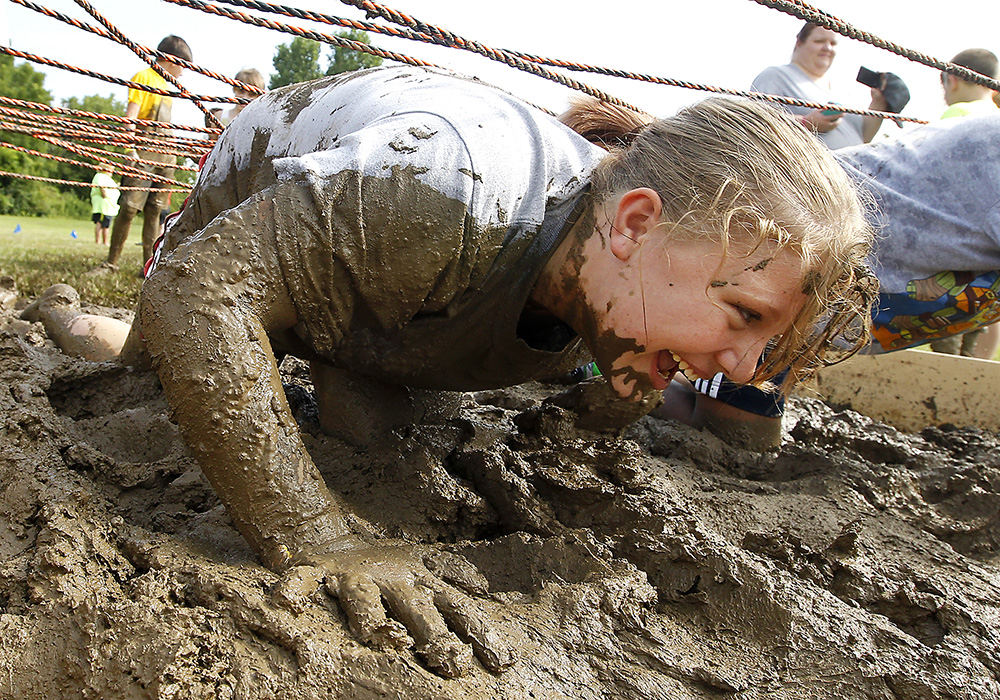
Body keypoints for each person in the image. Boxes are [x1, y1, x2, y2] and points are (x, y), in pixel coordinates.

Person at [28, 66, 875, 676]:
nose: (742, 365)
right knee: (149, 369)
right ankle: (65, 315)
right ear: (634, 224)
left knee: (380, 432)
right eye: (746, 316)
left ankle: (338, 357)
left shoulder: (622, 283)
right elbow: (200, 292)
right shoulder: (449, 192)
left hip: (396, 282)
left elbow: (595, 389)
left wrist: (607, 400)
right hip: (270, 181)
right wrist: (322, 539)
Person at [662, 112, 1000, 448]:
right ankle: (629, 378)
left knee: (737, 433)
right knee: (734, 442)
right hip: (787, 262)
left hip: (825, 295)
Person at [96, 35, 192, 273]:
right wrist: (130, 149)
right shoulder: (143, 78)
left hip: (166, 154)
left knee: (155, 211)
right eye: (184, 65)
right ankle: (111, 262)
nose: (183, 72)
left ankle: (147, 266)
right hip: (145, 152)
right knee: (129, 207)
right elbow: (131, 117)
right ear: (172, 60)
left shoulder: (169, 87)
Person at [929, 48, 1000, 359]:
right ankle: (968, 371)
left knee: (942, 316)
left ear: (954, 79)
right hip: (989, 243)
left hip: (956, 238)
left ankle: (945, 374)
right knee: (976, 314)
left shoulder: (958, 115)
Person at [751, 22, 888, 149]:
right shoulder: (776, 76)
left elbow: (863, 137)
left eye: (833, 43)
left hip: (858, 171)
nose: (827, 48)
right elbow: (755, 124)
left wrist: (879, 103)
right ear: (799, 42)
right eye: (819, 41)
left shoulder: (840, 89)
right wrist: (807, 123)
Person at [90, 164, 120, 245]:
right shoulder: (101, 176)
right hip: (104, 205)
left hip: (107, 205)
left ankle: (102, 241)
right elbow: (102, 187)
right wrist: (105, 195)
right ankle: (103, 241)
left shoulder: (105, 177)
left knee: (104, 224)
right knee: (103, 224)